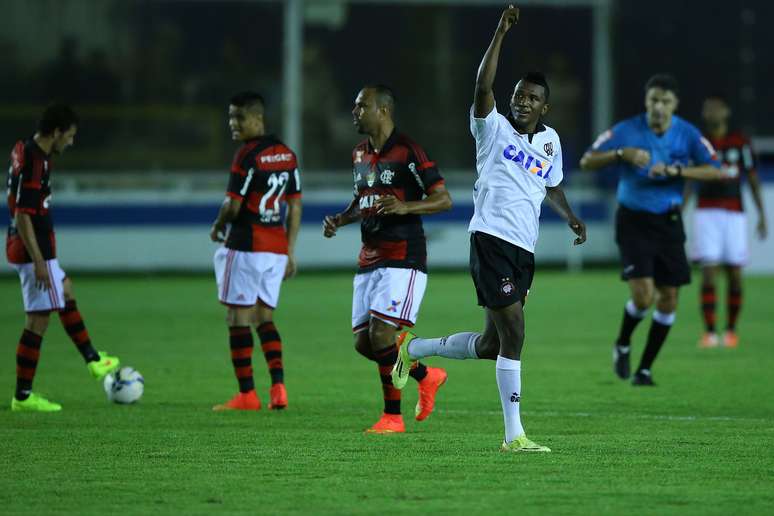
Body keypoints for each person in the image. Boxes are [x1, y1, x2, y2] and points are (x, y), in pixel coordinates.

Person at [391, 5, 586, 453]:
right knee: (515, 333)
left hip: (525, 251)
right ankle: (513, 435)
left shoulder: (550, 141)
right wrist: (500, 32)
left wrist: (570, 215)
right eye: (518, 94)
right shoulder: (492, 128)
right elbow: (483, 86)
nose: (522, 100)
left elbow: (551, 185)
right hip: (491, 240)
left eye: (532, 97)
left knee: (490, 344)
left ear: (544, 107)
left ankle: (415, 348)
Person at [580, 74, 728, 386]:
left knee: (669, 299)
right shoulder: (627, 130)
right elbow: (587, 160)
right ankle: (622, 343)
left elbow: (716, 169)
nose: (658, 107)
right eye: (653, 101)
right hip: (633, 220)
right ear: (646, 102)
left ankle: (644, 369)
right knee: (644, 296)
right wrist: (621, 154)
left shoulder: (688, 134)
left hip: (669, 222)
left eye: (665, 101)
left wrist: (678, 170)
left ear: (675, 105)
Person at [323, 84, 452, 434]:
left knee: (382, 335)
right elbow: (362, 200)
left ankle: (392, 417)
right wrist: (341, 218)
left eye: (361, 106)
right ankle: (427, 376)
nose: (354, 112)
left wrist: (406, 206)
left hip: (403, 256)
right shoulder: (359, 154)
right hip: (369, 257)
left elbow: (443, 199)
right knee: (363, 343)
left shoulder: (408, 151)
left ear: (383, 110)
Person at [7, 104, 120, 412]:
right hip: (34, 251)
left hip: (34, 249)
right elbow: (23, 215)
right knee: (37, 322)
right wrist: (39, 260)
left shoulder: (25, 150)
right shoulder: (35, 162)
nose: (71, 142)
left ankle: (94, 360)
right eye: (69, 136)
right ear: (56, 132)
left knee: (65, 290)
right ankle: (23, 396)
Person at [210, 92, 302, 411]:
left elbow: (233, 205)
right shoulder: (287, 155)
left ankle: (247, 394)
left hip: (247, 244)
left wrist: (218, 224)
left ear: (258, 119)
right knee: (265, 317)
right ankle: (278, 387)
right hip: (275, 248)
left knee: (237, 317)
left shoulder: (246, 155)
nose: (233, 124)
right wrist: (290, 250)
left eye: (240, 118)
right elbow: (295, 204)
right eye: (231, 117)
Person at [688, 94, 767, 349]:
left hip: (735, 214)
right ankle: (710, 332)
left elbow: (752, 179)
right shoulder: (699, 144)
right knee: (709, 273)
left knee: (734, 273)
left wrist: (762, 215)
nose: (711, 113)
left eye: (716, 108)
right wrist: (679, 207)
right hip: (706, 212)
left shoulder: (740, 142)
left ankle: (731, 330)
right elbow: (690, 179)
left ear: (726, 112)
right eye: (707, 109)